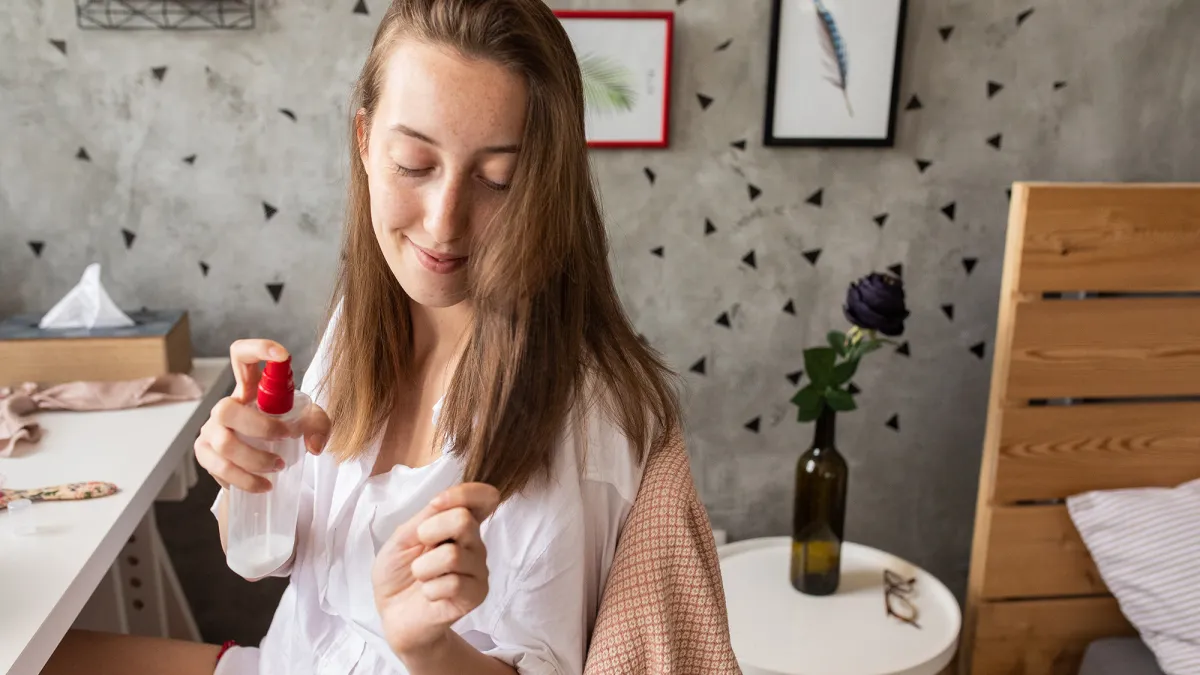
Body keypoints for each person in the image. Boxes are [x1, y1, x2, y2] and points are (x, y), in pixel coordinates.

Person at [40, 0, 682, 673]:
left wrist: (427, 645)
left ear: (542, 187)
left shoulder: (580, 415)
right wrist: (248, 473)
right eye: (414, 163)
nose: (443, 223)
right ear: (365, 142)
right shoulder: (368, 314)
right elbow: (265, 557)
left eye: (498, 180)